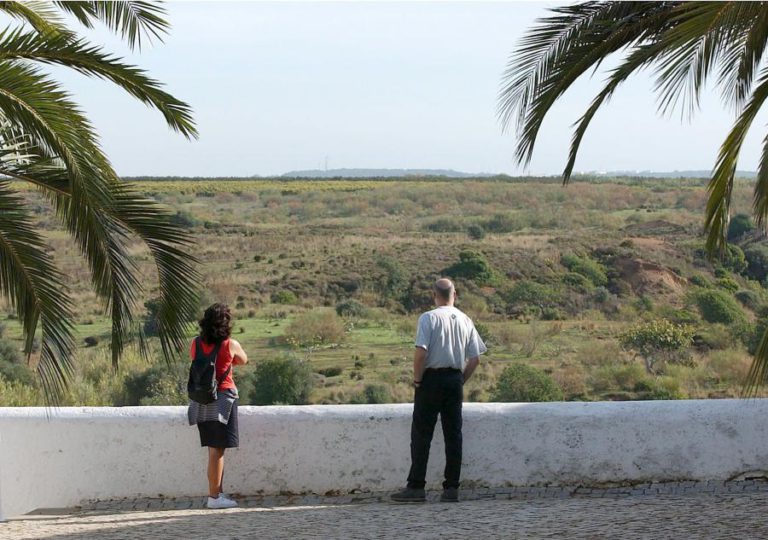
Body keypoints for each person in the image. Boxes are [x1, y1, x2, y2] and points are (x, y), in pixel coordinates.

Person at [391, 278, 487, 503]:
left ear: (434, 295)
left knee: (422, 434)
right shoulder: (465, 319)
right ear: (456, 294)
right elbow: (474, 360)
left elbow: (421, 353)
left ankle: (416, 487)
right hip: (454, 379)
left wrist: (417, 380)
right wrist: (459, 380)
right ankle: (451, 488)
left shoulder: (428, 318)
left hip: (431, 380)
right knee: (454, 435)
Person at [187, 303, 249, 509]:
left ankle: (217, 492)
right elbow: (243, 360)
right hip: (223, 399)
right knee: (217, 450)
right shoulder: (230, 344)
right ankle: (214, 497)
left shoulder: (195, 343)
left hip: (201, 400)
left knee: (212, 449)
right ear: (226, 322)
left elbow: (197, 361)